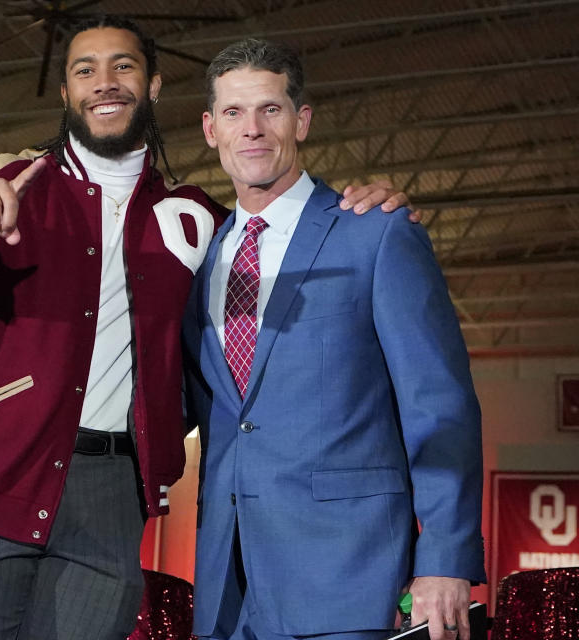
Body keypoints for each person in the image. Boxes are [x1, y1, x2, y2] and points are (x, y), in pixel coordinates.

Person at [0, 17, 410, 640]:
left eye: (122, 66)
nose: (105, 83)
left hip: (111, 497)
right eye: (84, 69)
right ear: (65, 94)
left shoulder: (195, 220)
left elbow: (276, 241)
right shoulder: (6, 180)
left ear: (152, 86)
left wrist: (362, 206)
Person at [183, 38, 486, 640]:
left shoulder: (375, 235)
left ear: (301, 120)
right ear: (210, 129)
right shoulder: (200, 256)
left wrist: (446, 559)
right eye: (235, 113)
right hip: (228, 584)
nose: (253, 130)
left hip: (350, 576)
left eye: (270, 109)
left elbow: (438, 404)